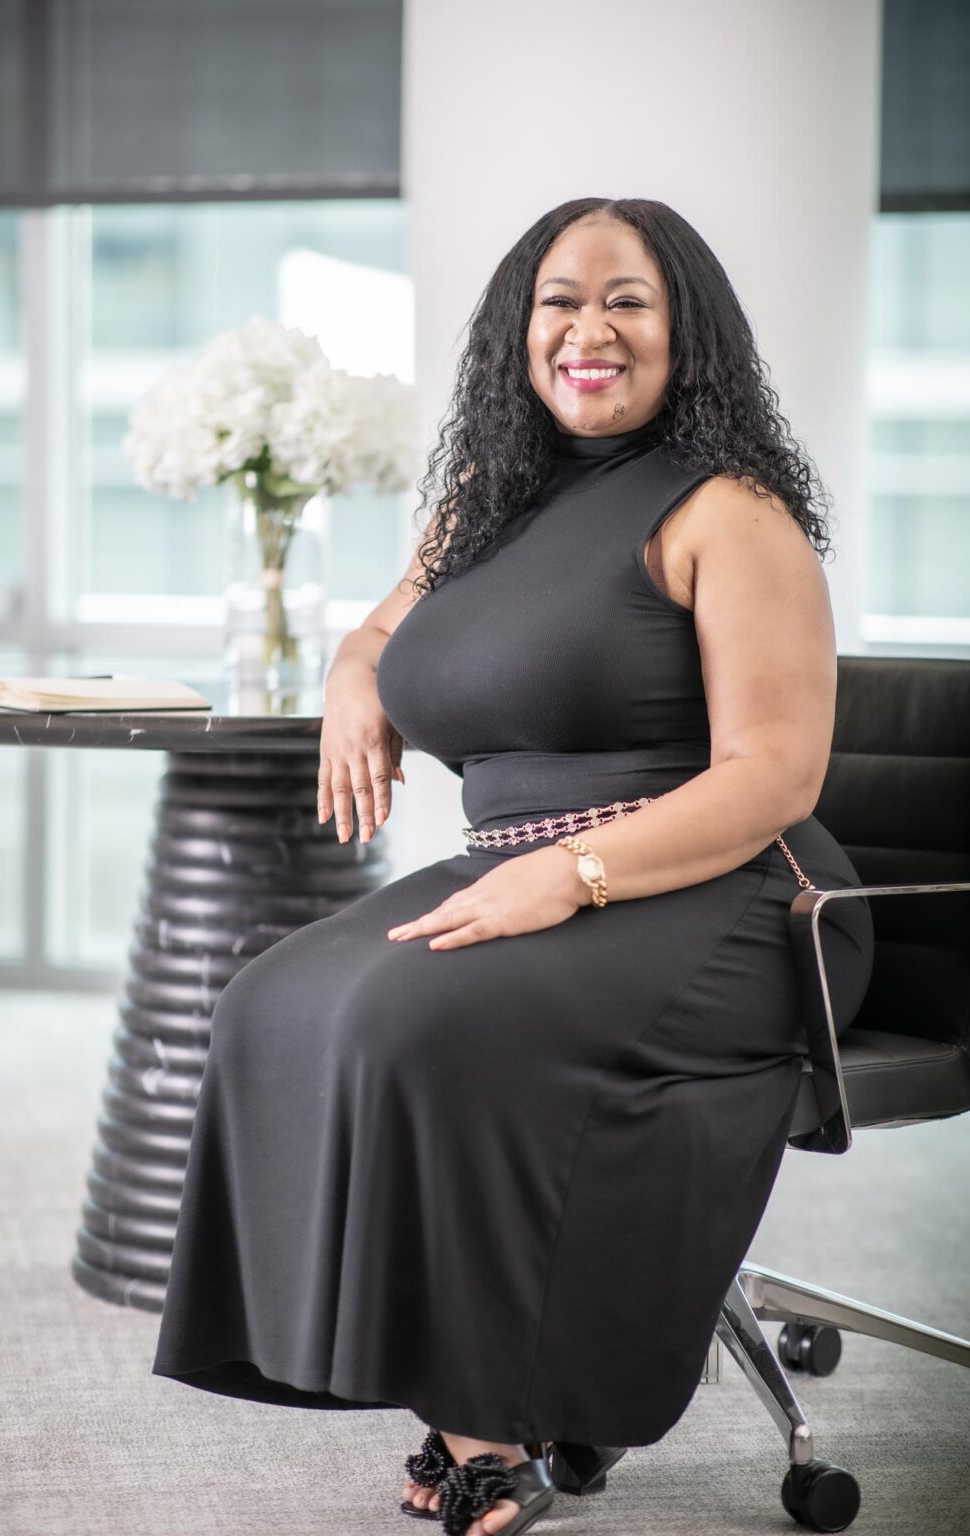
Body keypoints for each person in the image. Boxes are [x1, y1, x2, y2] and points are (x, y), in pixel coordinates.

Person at [151, 197, 875, 1536]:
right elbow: (375, 632)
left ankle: (489, 1425)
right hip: (528, 867)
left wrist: (578, 876)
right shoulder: (490, 504)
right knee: (272, 998)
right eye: (559, 300)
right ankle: (381, 1360)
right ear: (517, 333)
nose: (587, 329)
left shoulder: (732, 511)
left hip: (727, 893)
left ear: (686, 334)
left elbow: (774, 777)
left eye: (628, 301)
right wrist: (354, 679)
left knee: (426, 1020)